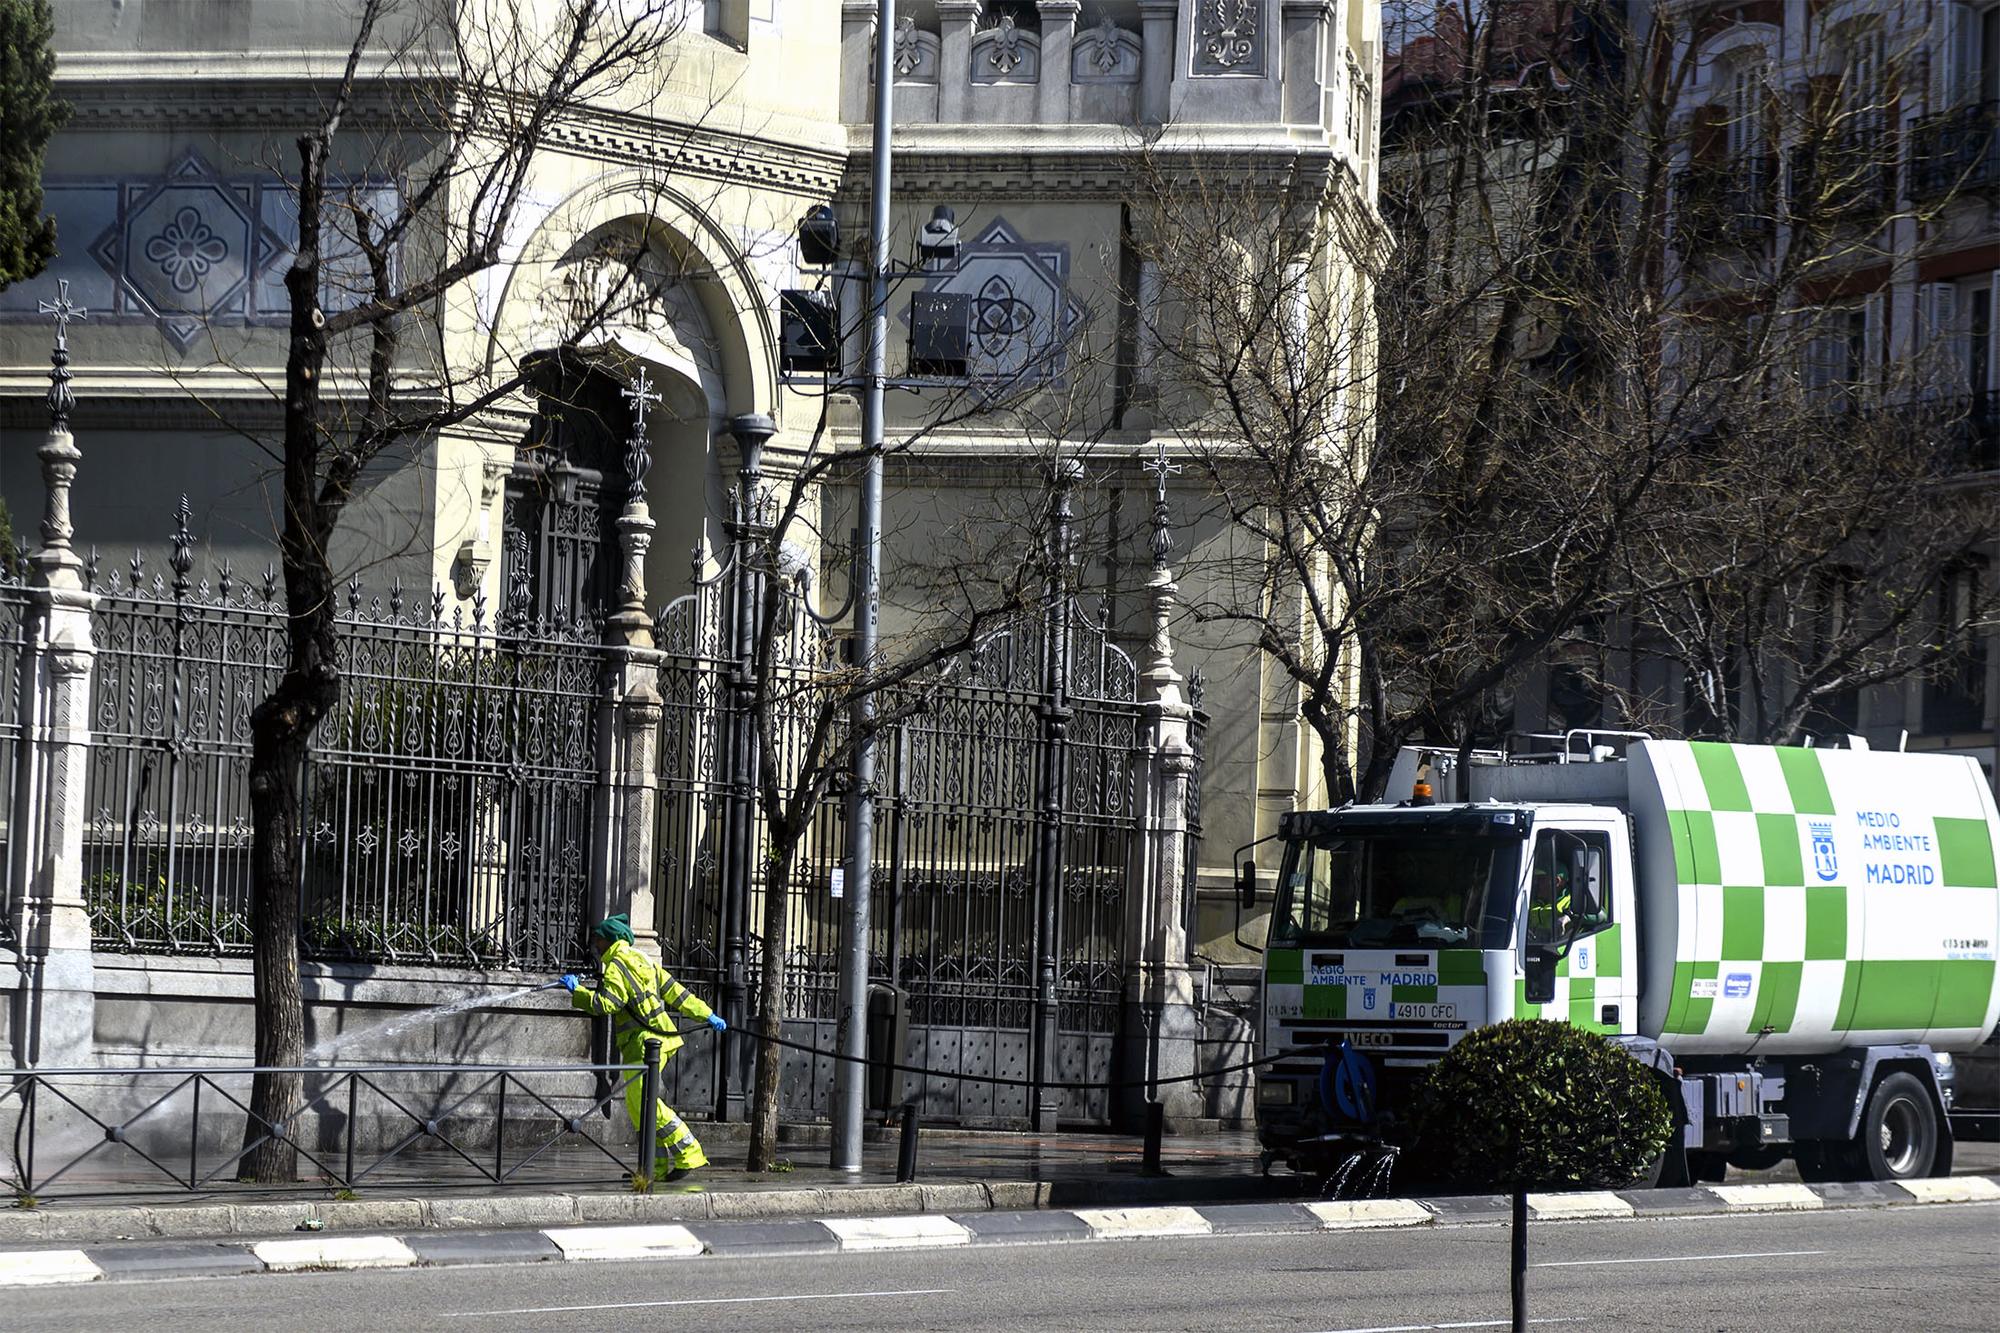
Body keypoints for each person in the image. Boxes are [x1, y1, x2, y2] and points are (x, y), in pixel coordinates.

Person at [561, 914, 726, 1181]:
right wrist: (707, 1014)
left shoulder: (616, 964)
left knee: (647, 1106)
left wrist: (577, 991)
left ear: (610, 940)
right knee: (641, 1108)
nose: (596, 944)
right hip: (662, 1039)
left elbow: (607, 1004)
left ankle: (691, 1152)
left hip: (643, 1044)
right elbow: (677, 993)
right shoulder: (644, 961)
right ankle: (652, 1168)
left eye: (599, 939)